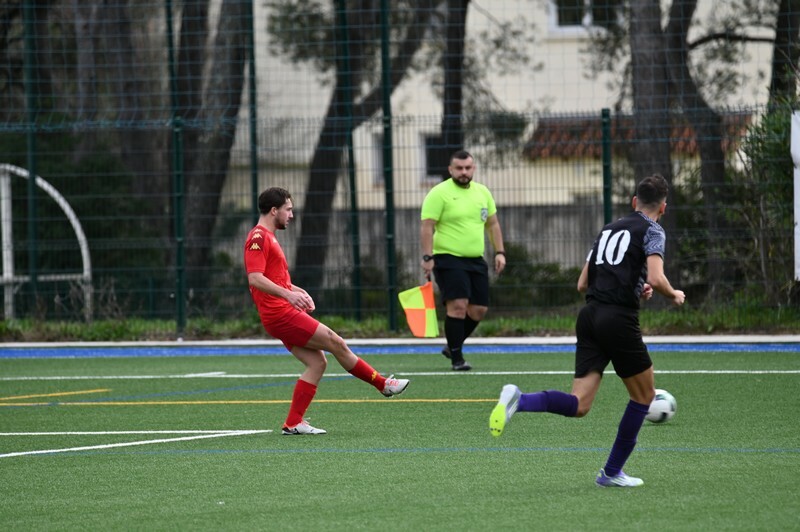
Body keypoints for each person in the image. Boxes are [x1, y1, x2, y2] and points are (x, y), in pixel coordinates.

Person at [488, 174, 685, 487]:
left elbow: (583, 283)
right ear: (663, 207)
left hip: (590, 316)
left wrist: (635, 288)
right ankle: (611, 472)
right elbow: (657, 277)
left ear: (634, 201)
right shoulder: (653, 229)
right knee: (644, 396)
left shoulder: (608, 229)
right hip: (618, 319)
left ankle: (520, 400)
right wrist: (673, 294)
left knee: (579, 404)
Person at [245, 187, 409, 435]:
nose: (291, 215)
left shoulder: (269, 236)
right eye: (288, 210)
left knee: (317, 363)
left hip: (280, 312)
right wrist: (289, 295)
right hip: (279, 313)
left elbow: (275, 279)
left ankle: (293, 422)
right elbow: (255, 278)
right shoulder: (258, 237)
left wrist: (298, 292)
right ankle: (383, 384)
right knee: (336, 341)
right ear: (274, 210)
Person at [420, 150, 506, 371]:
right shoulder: (439, 193)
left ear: (473, 168)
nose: (464, 172)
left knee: (479, 310)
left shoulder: (482, 192)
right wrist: (428, 257)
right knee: (458, 306)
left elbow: (493, 224)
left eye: (468, 168)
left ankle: (452, 346)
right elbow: (427, 226)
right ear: (451, 170)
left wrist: (500, 252)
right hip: (447, 258)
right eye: (459, 168)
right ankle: (457, 359)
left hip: (475, 260)